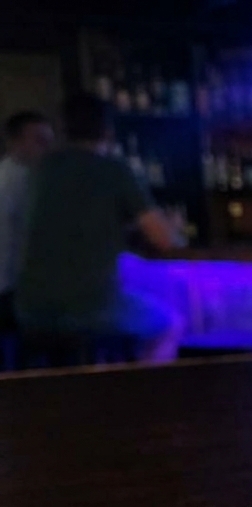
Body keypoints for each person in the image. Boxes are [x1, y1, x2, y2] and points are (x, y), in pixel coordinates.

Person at [15, 92, 182, 361]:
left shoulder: (40, 169)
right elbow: (163, 239)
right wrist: (172, 226)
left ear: (62, 130)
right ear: (108, 130)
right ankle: (142, 400)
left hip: (30, 306)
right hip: (90, 306)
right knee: (169, 325)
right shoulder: (114, 171)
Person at [0, 111, 54, 334]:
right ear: (14, 142)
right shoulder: (13, 183)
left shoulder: (25, 177)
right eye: (40, 141)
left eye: (49, 142)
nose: (48, 149)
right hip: (10, 293)